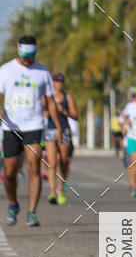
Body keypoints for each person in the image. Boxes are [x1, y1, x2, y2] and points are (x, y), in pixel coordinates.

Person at [0, 35, 62, 226]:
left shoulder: (42, 72)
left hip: (34, 126)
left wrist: (57, 127)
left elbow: (50, 101)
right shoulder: (6, 70)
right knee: (9, 172)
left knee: (33, 167)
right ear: (18, 50)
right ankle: (12, 204)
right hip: (11, 127)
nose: (27, 59)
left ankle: (32, 212)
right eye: (24, 55)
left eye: (31, 55)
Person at [45, 73, 78, 205]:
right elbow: (41, 110)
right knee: (52, 162)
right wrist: (48, 112)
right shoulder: (48, 96)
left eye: (61, 81)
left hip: (64, 130)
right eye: (56, 81)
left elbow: (75, 115)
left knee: (64, 161)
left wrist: (64, 111)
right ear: (52, 82)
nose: (59, 83)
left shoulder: (67, 97)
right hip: (50, 130)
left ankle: (61, 187)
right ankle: (52, 191)